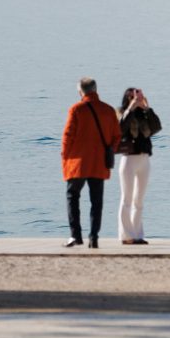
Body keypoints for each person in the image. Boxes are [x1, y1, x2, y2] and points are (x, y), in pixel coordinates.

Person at [61, 77, 121, 249]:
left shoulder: (76, 109)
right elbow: (117, 136)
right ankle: (94, 238)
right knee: (97, 201)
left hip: (77, 162)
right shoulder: (108, 110)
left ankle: (75, 236)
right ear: (96, 90)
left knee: (73, 197)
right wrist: (109, 149)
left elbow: (67, 137)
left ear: (81, 91)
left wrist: (65, 158)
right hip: (98, 162)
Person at [116, 87, 162, 246]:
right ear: (128, 99)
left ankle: (137, 235)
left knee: (139, 200)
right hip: (128, 159)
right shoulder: (122, 112)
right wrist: (131, 107)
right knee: (126, 199)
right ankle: (126, 235)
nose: (137, 99)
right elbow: (120, 129)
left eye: (139, 97)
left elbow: (156, 127)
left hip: (144, 159)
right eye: (134, 97)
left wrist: (147, 108)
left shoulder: (144, 114)